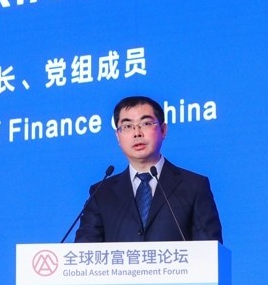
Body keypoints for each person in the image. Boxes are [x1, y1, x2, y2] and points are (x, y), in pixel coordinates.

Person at [74, 96, 223, 243]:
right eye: (127, 126)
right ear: (118, 136)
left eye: (146, 123)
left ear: (163, 130)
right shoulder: (101, 193)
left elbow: (210, 251)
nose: (137, 133)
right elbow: (84, 252)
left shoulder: (194, 186)